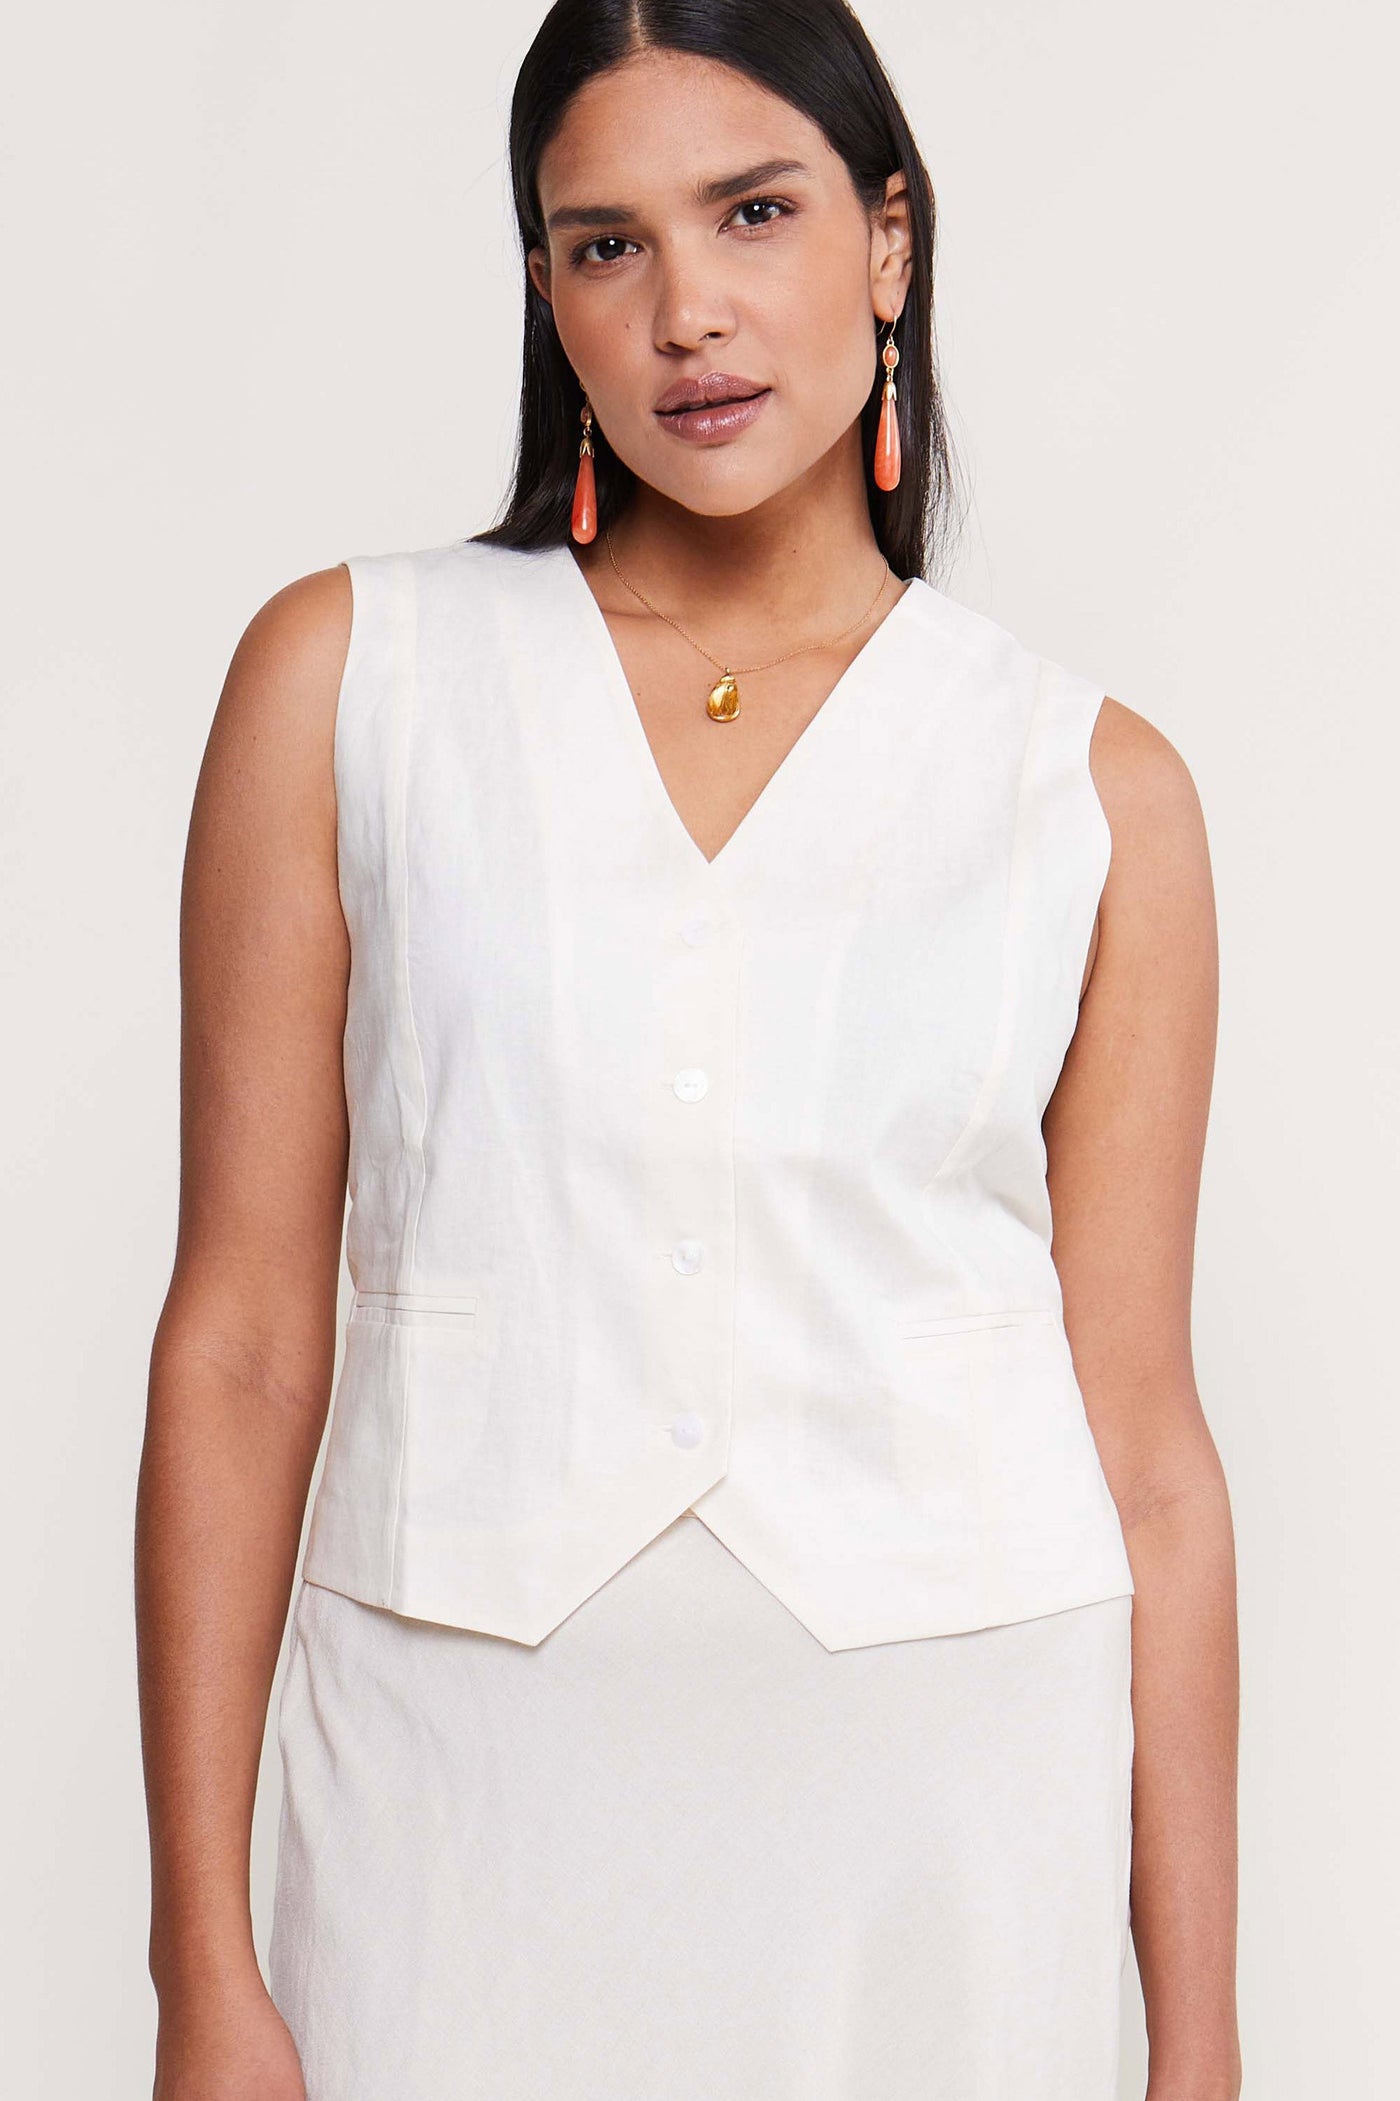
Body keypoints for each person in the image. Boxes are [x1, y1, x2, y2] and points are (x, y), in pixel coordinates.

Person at [136, 3, 1241, 2096]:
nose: (686, 312)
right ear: (545, 292)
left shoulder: (1092, 788)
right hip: (452, 1796)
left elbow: (1151, 1459)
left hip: (942, 1805)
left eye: (754, 212)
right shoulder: (350, 678)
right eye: (605, 245)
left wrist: (1196, 2042)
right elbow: (245, 1341)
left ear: (888, 240)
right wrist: (205, 1959)